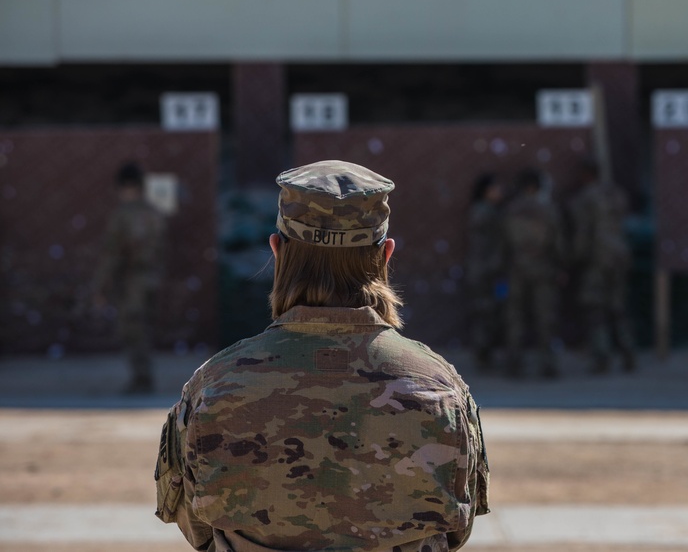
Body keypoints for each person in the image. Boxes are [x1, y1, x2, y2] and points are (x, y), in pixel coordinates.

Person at [155, 160, 490, 552]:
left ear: (277, 251)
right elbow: (457, 529)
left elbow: (196, 528)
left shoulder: (213, 385)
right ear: (385, 254)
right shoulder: (442, 387)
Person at [92, 161, 166, 394]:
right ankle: (144, 376)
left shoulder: (123, 215)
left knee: (133, 330)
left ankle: (142, 378)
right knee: (145, 328)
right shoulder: (154, 213)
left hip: (132, 280)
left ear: (123, 186)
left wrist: (100, 287)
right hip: (152, 278)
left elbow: (112, 254)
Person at [568, 159, 636, 374]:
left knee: (595, 309)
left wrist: (574, 259)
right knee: (618, 308)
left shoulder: (585, 198)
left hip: (597, 258)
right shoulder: (616, 194)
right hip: (620, 255)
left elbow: (583, 233)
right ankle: (628, 354)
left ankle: (602, 358)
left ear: (587, 175)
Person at [501, 168, 564, 379]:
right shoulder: (548, 210)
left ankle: (513, 365)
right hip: (543, 269)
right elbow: (558, 243)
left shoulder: (511, 209)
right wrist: (561, 267)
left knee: (515, 317)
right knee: (545, 318)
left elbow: (502, 243)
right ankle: (548, 365)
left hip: (517, 268)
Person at [465, 172, 505, 372]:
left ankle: (486, 354)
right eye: (495, 189)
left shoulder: (486, 211)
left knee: (488, 313)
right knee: (485, 313)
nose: (500, 193)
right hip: (484, 271)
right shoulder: (485, 212)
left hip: (485, 270)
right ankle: (483, 355)